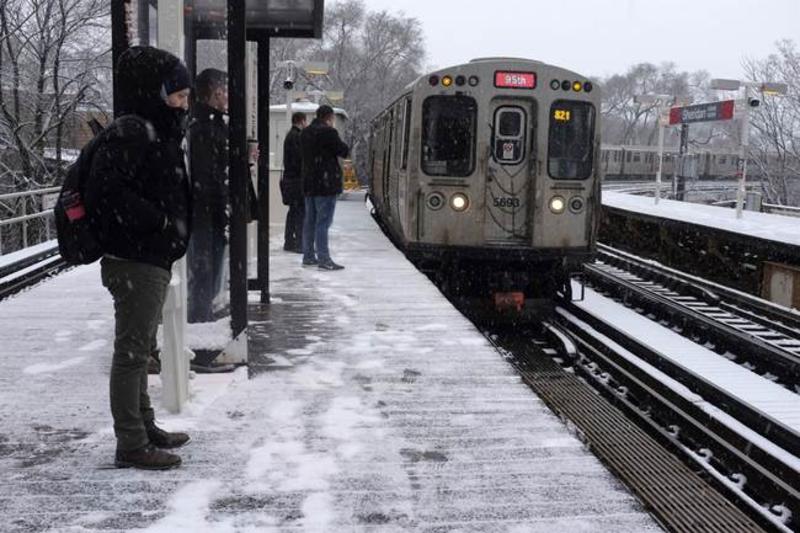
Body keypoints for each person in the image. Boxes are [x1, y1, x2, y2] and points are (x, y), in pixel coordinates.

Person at [84, 46, 192, 470]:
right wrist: (162, 221)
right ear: (155, 91)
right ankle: (131, 442)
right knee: (131, 353)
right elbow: (108, 194)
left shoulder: (151, 128)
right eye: (177, 95)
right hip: (136, 258)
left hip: (148, 257)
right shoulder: (134, 131)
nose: (183, 104)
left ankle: (144, 427)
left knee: (142, 348)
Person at [186, 68, 228, 324]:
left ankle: (204, 312)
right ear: (211, 94)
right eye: (222, 92)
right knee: (204, 267)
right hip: (205, 212)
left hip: (208, 210)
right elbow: (205, 173)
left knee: (208, 266)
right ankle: (201, 317)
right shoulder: (204, 127)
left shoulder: (210, 123)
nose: (226, 97)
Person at [300, 105, 350, 270]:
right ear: (329, 117)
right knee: (323, 222)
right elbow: (343, 151)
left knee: (310, 221)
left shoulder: (305, 132)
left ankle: (308, 256)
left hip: (309, 183)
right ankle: (324, 259)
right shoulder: (329, 132)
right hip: (325, 184)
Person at [281, 112, 307, 253]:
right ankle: (298, 243)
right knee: (299, 213)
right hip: (296, 181)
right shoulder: (296, 137)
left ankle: (289, 242)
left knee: (293, 212)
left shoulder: (289, 136)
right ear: (301, 121)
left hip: (290, 180)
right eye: (305, 121)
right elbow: (299, 160)